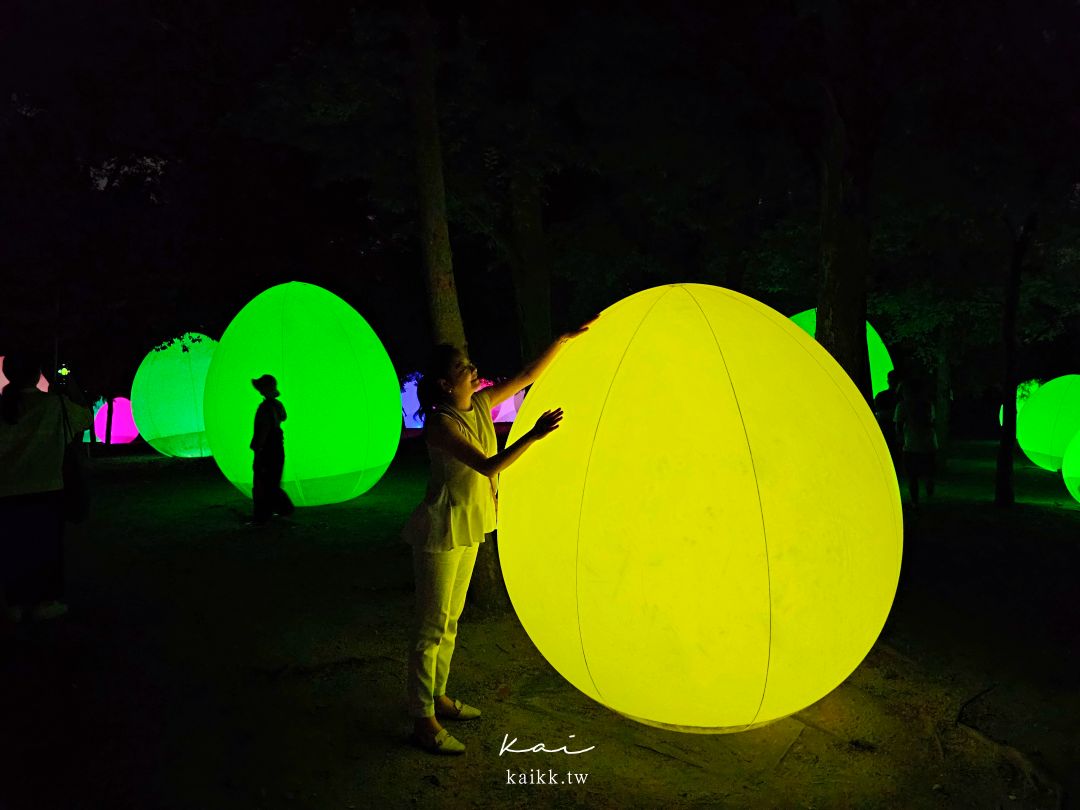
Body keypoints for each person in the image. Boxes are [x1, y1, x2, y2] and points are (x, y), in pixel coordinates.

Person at [402, 322, 590, 755]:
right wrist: (534, 435)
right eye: (462, 367)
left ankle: (438, 697)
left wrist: (560, 340)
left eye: (469, 363)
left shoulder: (482, 403)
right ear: (447, 384)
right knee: (431, 626)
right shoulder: (440, 424)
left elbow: (526, 376)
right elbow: (488, 466)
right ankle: (421, 718)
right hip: (442, 530)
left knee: (450, 622)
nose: (473, 369)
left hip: (470, 524)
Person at [0, 354, 92, 626]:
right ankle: (45, 601)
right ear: (37, 373)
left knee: (13, 549)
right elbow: (85, 418)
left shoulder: (4, 408)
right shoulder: (54, 405)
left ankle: (15, 602)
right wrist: (69, 384)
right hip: (47, 489)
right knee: (45, 548)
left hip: (6, 493)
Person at [249, 374, 294, 525]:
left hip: (266, 451)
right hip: (277, 450)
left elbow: (263, 432)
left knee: (263, 483)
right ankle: (276, 511)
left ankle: (270, 513)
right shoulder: (277, 406)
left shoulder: (264, 409)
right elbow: (283, 417)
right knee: (272, 481)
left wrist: (258, 450)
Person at [894, 377, 937, 512]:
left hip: (911, 444)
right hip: (929, 443)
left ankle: (915, 501)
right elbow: (932, 421)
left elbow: (898, 425)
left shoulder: (902, 406)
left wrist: (900, 438)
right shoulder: (928, 404)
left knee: (912, 475)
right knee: (928, 470)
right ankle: (929, 484)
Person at [872, 370, 902, 464]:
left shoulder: (881, 396)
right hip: (891, 431)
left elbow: (878, 413)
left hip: (886, 430)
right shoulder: (902, 398)